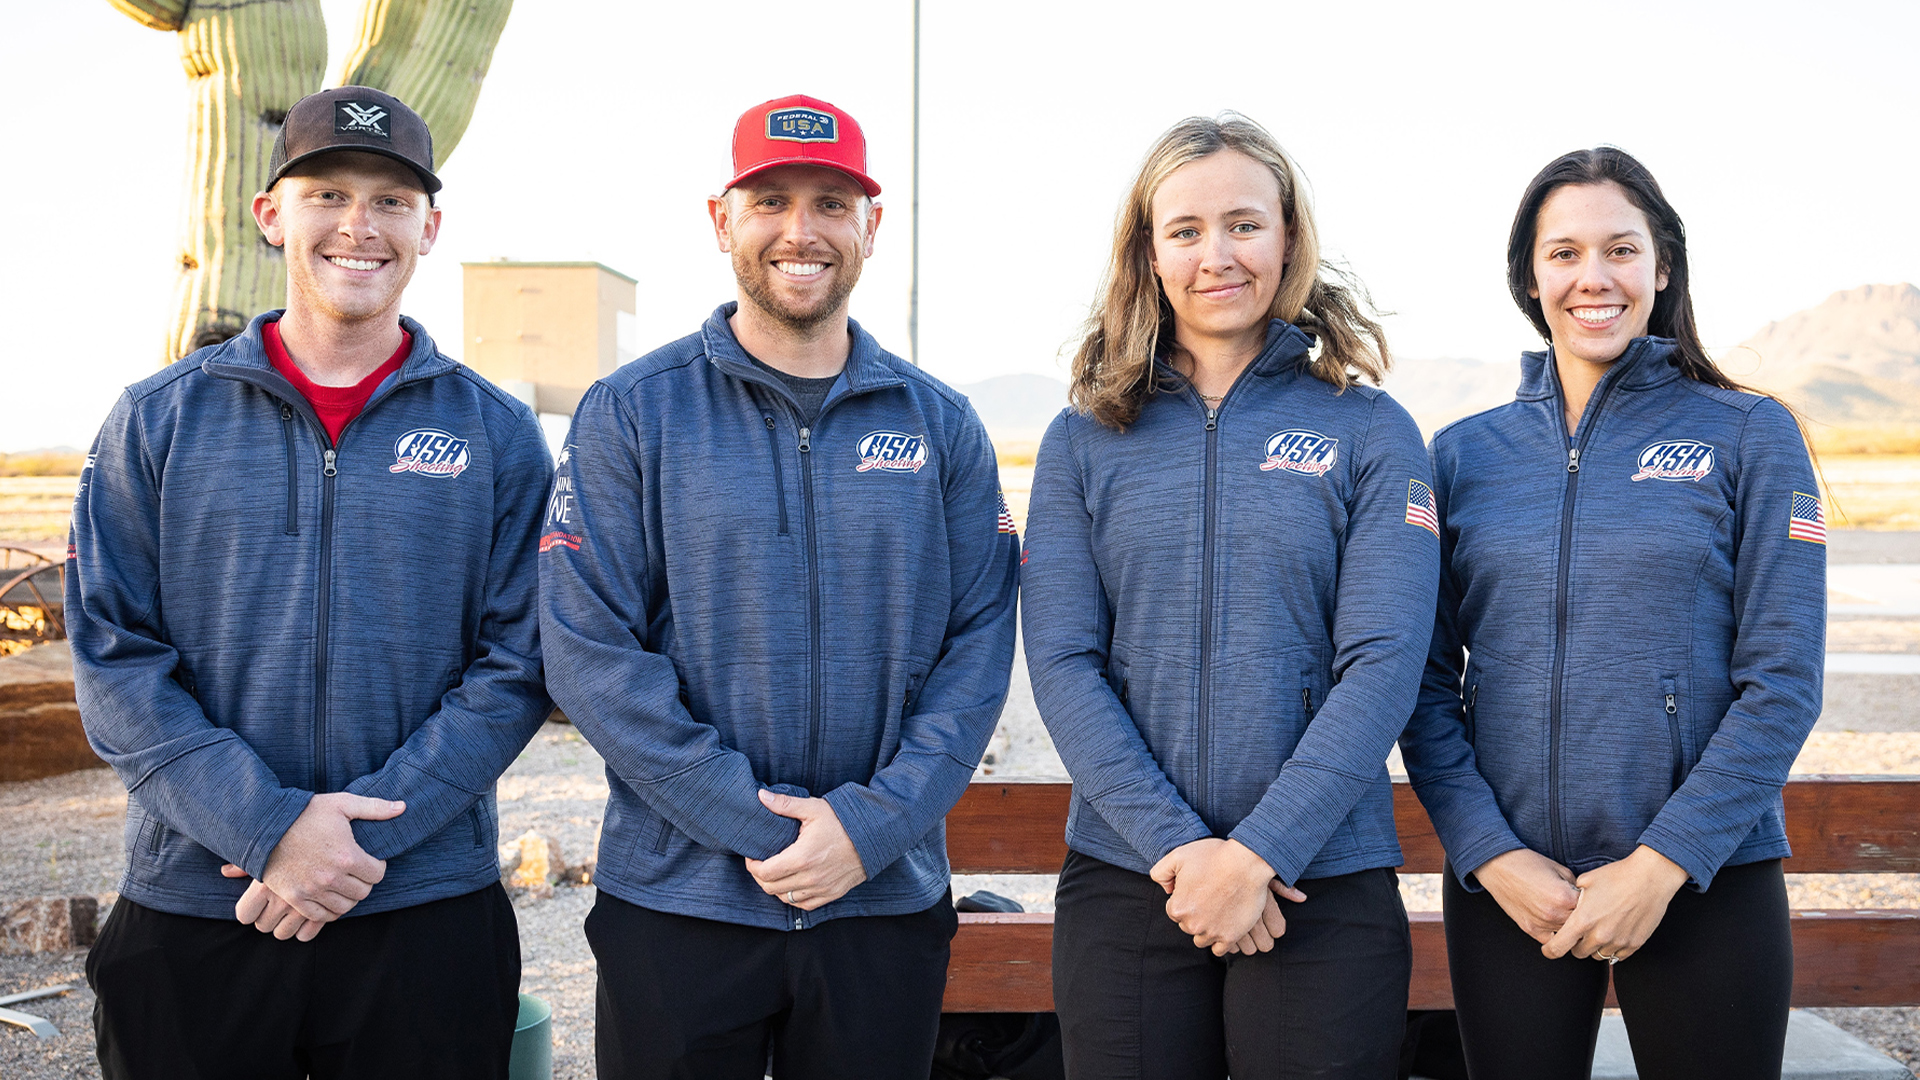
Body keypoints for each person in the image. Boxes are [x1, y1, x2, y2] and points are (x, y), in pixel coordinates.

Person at [68, 86, 555, 1079]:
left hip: (423, 913)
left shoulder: (497, 434)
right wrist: (270, 825)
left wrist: (352, 841)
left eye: (388, 200)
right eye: (327, 192)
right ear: (270, 214)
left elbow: (518, 664)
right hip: (199, 905)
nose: (357, 226)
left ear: (430, 225)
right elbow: (115, 659)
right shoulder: (159, 421)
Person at [538, 93, 1020, 1080]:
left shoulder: (942, 425)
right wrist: (771, 831)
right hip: (679, 907)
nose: (801, 231)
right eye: (772, 201)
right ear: (723, 220)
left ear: (872, 228)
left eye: (833, 203)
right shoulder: (632, 414)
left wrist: (869, 829)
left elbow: (978, 647)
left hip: (879, 903)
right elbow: (592, 654)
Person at [1020, 114, 1438, 1080]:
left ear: (1289, 238)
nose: (1219, 255)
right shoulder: (1085, 437)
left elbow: (1381, 664)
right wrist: (1181, 852)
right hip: (1131, 876)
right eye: (1187, 230)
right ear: (1150, 251)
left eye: (1245, 225)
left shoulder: (1371, 431)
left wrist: (1257, 856)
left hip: (1319, 880)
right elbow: (1063, 661)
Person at [1398, 146, 1825, 1080]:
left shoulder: (1751, 434)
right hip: (1514, 889)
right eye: (1564, 253)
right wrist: (1488, 852)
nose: (1594, 278)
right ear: (1529, 276)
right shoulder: (1462, 455)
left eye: (1621, 250)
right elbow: (1422, 684)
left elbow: (1784, 679)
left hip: (1704, 875)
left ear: (1662, 268)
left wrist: (1662, 864)